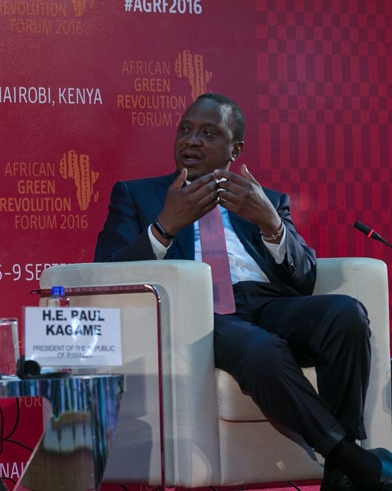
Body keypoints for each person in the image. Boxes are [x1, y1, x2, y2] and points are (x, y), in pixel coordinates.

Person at [93, 93, 392, 491]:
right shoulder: (138, 196)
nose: (192, 140)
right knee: (259, 349)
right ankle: (351, 459)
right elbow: (107, 274)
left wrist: (271, 223)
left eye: (209, 133)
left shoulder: (265, 200)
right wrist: (164, 226)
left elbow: (303, 279)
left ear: (236, 149)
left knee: (347, 313)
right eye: (185, 129)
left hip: (269, 303)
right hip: (198, 314)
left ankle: (343, 469)